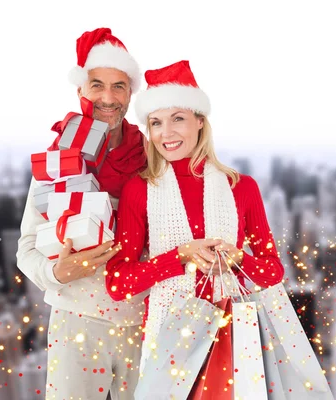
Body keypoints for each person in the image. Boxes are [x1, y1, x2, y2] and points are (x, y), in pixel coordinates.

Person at [105, 59, 285, 372]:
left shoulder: (241, 187)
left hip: (231, 338)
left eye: (178, 119)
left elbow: (273, 272)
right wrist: (180, 256)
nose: (166, 133)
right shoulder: (139, 189)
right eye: (156, 123)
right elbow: (119, 283)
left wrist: (239, 259)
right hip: (169, 342)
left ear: (199, 121)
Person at [16, 27, 148, 399]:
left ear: (130, 92)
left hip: (143, 323)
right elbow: (27, 247)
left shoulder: (152, 157)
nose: (108, 97)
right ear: (80, 91)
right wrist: (58, 272)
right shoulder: (57, 159)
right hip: (76, 322)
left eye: (118, 86)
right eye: (96, 85)